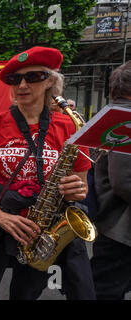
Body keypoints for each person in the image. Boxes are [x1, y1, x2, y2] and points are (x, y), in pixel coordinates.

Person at [0, 46, 95, 300]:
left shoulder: (71, 127)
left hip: (41, 231)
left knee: (25, 294)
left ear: (50, 81)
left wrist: (77, 189)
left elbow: (82, 185)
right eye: (14, 79)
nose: (22, 84)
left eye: (32, 77)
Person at [90, 61, 131, 300]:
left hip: (116, 225)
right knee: (105, 290)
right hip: (121, 228)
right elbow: (125, 181)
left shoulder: (116, 116)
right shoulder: (125, 120)